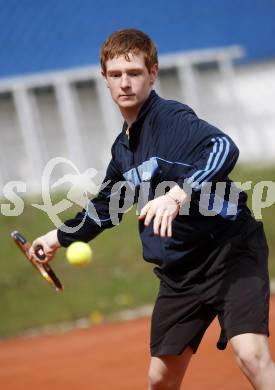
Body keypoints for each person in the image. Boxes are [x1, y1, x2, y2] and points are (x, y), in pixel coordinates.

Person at [30, 29, 275, 389]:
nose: (125, 83)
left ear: (153, 73)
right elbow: (104, 208)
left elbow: (224, 147)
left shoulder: (171, 119)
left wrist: (178, 194)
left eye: (134, 73)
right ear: (104, 78)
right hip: (180, 271)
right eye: (116, 75)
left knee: (251, 354)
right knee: (160, 378)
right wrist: (57, 238)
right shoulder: (123, 150)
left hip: (231, 254)